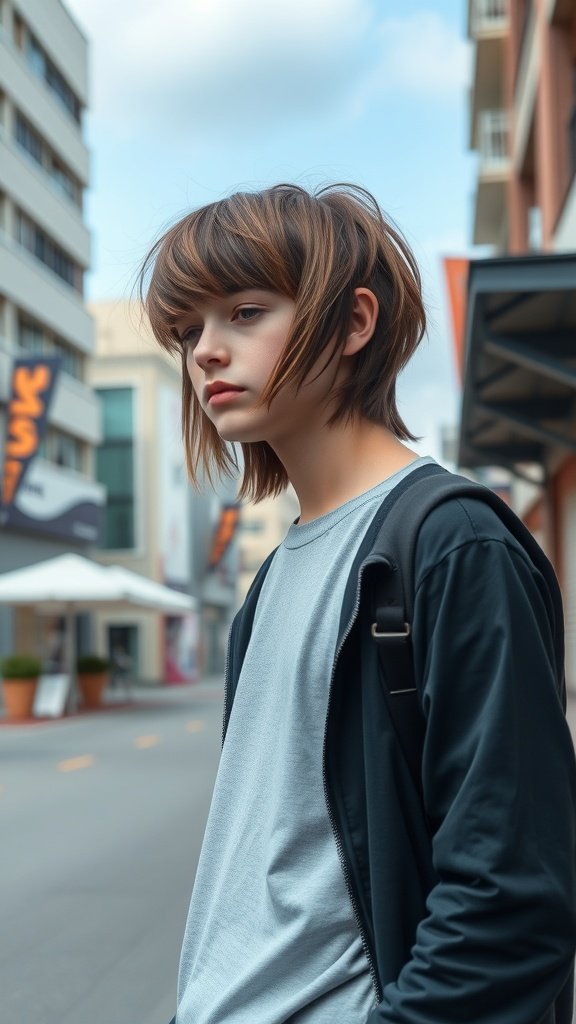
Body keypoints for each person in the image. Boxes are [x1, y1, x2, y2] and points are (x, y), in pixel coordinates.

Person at [139, 184, 576, 1024]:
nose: (205, 352)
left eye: (244, 311)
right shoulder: (269, 584)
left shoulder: (451, 546)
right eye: (188, 330)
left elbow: (509, 900)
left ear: (353, 323)